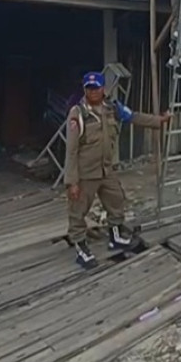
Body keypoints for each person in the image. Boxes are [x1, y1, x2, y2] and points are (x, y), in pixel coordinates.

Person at [64, 71, 171, 269]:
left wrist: (159, 121)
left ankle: (116, 238)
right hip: (86, 173)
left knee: (116, 200)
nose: (93, 92)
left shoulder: (112, 108)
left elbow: (134, 117)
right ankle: (81, 248)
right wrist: (72, 182)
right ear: (85, 90)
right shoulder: (78, 114)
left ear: (103, 89)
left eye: (96, 88)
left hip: (106, 169)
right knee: (78, 210)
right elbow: (71, 150)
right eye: (89, 88)